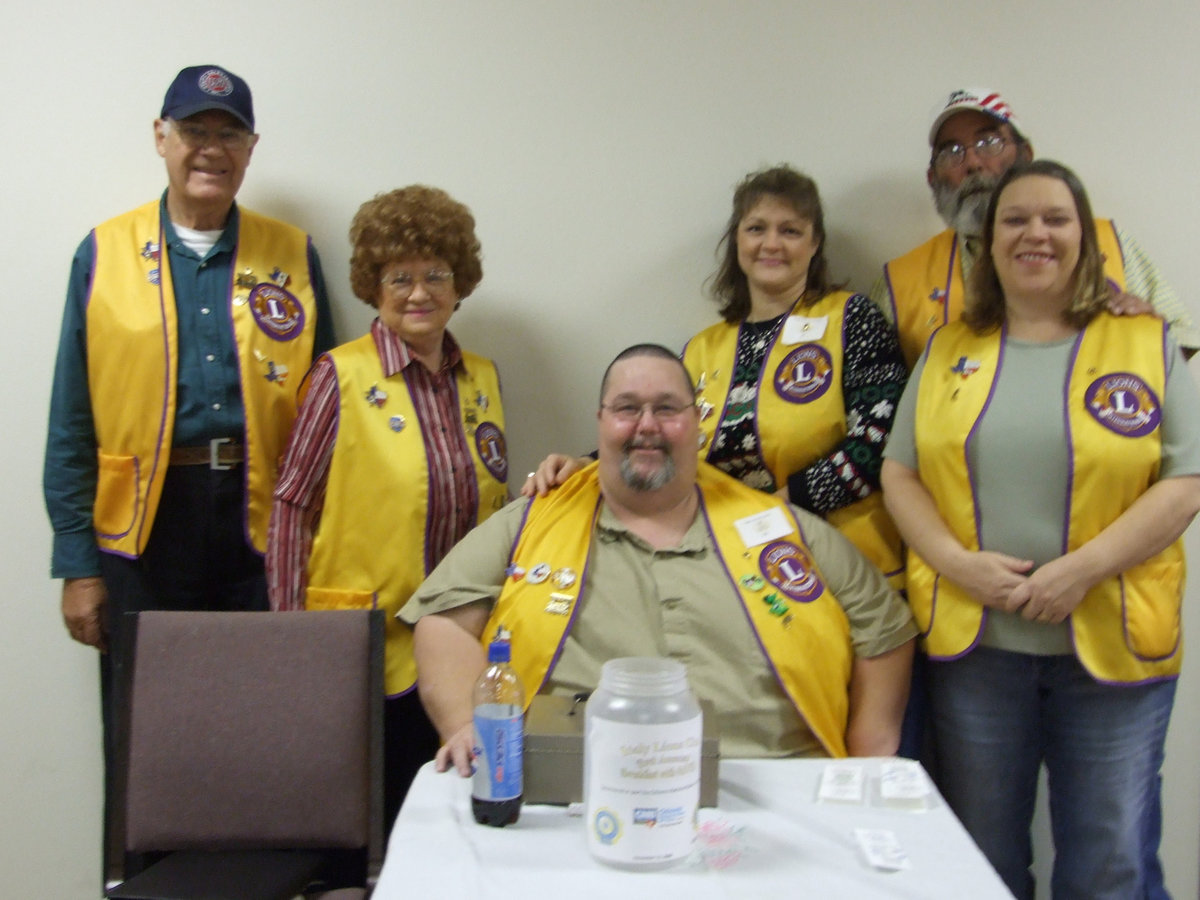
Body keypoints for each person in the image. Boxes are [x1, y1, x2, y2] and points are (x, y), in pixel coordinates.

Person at [880, 160, 1200, 899]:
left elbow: (1184, 482)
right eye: (1015, 220)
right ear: (987, 244)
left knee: (1109, 860)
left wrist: (1080, 570)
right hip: (977, 652)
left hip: (1114, 652)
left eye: (1056, 218)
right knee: (980, 859)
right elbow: (901, 475)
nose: (1036, 234)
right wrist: (957, 564)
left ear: (1085, 238)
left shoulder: (1145, 343)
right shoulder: (947, 349)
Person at [43, 64, 333, 874]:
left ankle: (261, 885)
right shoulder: (101, 253)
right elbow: (72, 419)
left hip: (260, 523)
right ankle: (139, 885)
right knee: (146, 733)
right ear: (161, 139)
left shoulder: (293, 255)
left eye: (228, 133)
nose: (211, 148)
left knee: (262, 725)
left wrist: (318, 549)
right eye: (195, 131)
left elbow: (327, 415)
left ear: (251, 149)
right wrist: (77, 562)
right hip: (141, 531)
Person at [402, 344, 916, 776]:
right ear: (601, 422)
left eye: (667, 409)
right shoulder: (534, 520)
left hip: (775, 780)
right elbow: (444, 622)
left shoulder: (779, 528)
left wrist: (868, 754)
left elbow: (884, 628)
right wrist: (468, 725)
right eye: (627, 408)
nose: (646, 425)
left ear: (697, 423)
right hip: (578, 785)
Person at [525, 166, 908, 589]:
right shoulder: (701, 349)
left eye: (791, 231)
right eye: (756, 228)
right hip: (741, 568)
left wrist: (777, 508)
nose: (771, 244)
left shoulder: (852, 318)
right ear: (738, 240)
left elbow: (880, 440)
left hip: (847, 566)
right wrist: (586, 466)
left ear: (815, 242)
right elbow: (662, 437)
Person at [266, 185, 509, 826]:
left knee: (458, 820)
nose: (420, 292)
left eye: (436, 274)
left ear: (461, 283)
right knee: (373, 826)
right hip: (365, 649)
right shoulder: (338, 377)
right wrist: (291, 640)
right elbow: (291, 506)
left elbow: (495, 510)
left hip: (461, 646)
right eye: (400, 277)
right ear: (373, 287)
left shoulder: (481, 378)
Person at [871, 87, 1199, 368]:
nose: (972, 163)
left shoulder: (1106, 242)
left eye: (989, 143)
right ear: (932, 178)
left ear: (1025, 155)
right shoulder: (899, 284)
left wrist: (1145, 332)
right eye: (952, 152)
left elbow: (1179, 344)